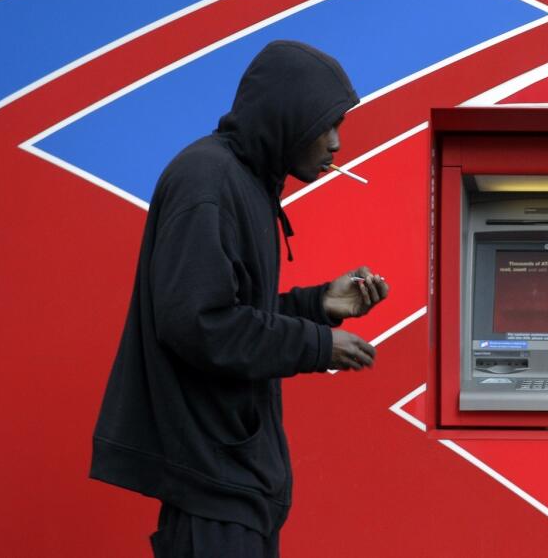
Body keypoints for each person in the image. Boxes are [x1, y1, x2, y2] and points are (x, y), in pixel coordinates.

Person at [90, 40, 388, 557]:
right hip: (213, 487)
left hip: (235, 488)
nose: (337, 142)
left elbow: (233, 311)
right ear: (289, 115)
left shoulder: (246, 182)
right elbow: (199, 325)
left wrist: (319, 304)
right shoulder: (207, 180)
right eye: (328, 124)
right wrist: (320, 346)